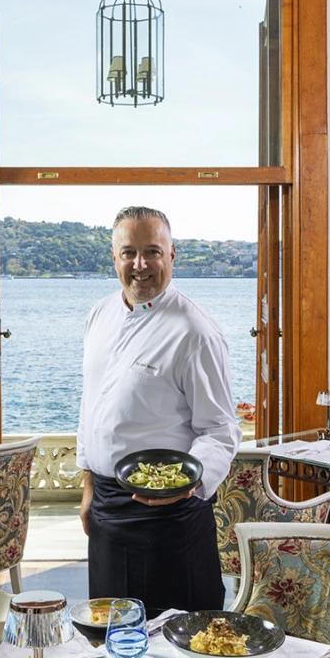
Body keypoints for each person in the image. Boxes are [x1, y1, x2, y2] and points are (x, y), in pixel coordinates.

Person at [76, 205, 242, 613]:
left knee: (174, 646)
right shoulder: (99, 314)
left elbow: (221, 430)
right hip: (107, 508)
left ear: (172, 255)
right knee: (111, 635)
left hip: (168, 516)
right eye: (128, 252)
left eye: (152, 251)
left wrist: (184, 487)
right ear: (114, 257)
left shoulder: (195, 332)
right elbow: (91, 406)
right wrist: (88, 488)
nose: (140, 264)